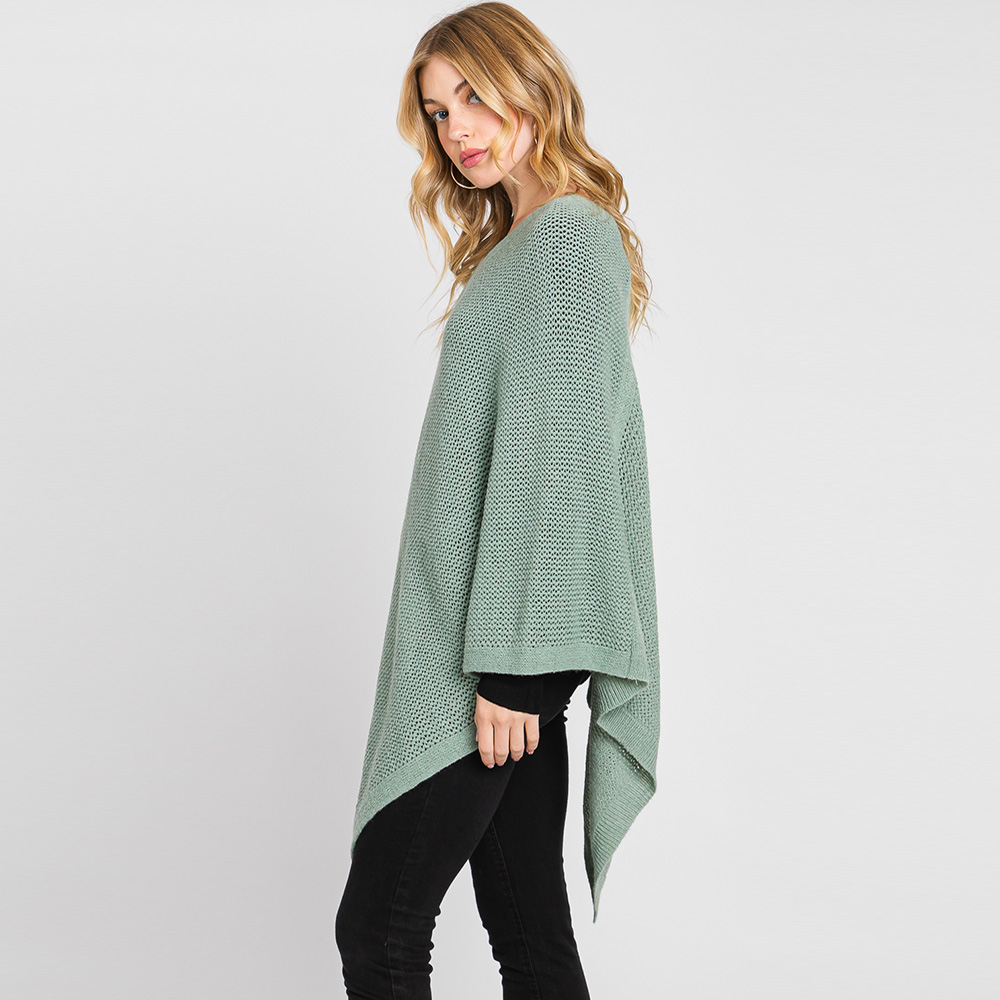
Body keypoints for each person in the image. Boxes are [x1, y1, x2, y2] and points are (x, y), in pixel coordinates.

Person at [335, 4, 661, 997]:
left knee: (381, 927)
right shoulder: (525, 238)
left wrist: (516, 677)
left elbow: (562, 465)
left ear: (531, 84)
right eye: (439, 112)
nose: (458, 129)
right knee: (526, 927)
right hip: (502, 637)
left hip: (507, 649)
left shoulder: (563, 240)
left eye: (474, 95)